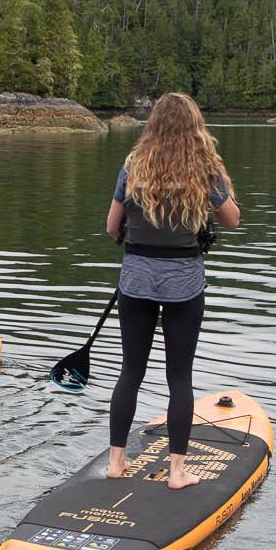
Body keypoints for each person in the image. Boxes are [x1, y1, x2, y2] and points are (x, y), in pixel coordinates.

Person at [104, 92, 239, 489]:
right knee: (179, 376)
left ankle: (116, 463)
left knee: (131, 370)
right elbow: (232, 219)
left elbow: (112, 227)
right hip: (184, 283)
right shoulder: (205, 170)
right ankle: (177, 472)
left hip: (136, 282)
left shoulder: (133, 166)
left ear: (154, 125)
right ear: (195, 128)